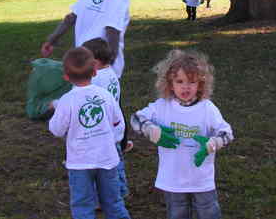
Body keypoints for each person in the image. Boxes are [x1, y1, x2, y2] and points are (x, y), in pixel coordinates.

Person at [130, 49, 233, 219]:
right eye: (179, 81)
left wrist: (212, 143)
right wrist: (152, 131)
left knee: (208, 212)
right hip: (173, 179)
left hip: (201, 180)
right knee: (177, 213)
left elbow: (227, 133)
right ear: (170, 83)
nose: (185, 87)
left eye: (192, 82)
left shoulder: (207, 108)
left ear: (201, 84)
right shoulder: (162, 106)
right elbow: (135, 118)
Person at [49, 47, 131, 219]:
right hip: (107, 159)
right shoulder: (105, 95)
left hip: (80, 163)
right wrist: (113, 140)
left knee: (82, 206)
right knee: (114, 203)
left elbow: (56, 130)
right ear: (94, 71)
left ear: (65, 76)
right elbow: (118, 121)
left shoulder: (66, 101)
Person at [82, 38, 132, 200]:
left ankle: (101, 197)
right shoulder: (111, 73)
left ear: (95, 63)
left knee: (101, 165)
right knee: (116, 160)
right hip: (115, 128)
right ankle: (121, 190)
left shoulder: (95, 80)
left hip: (101, 132)